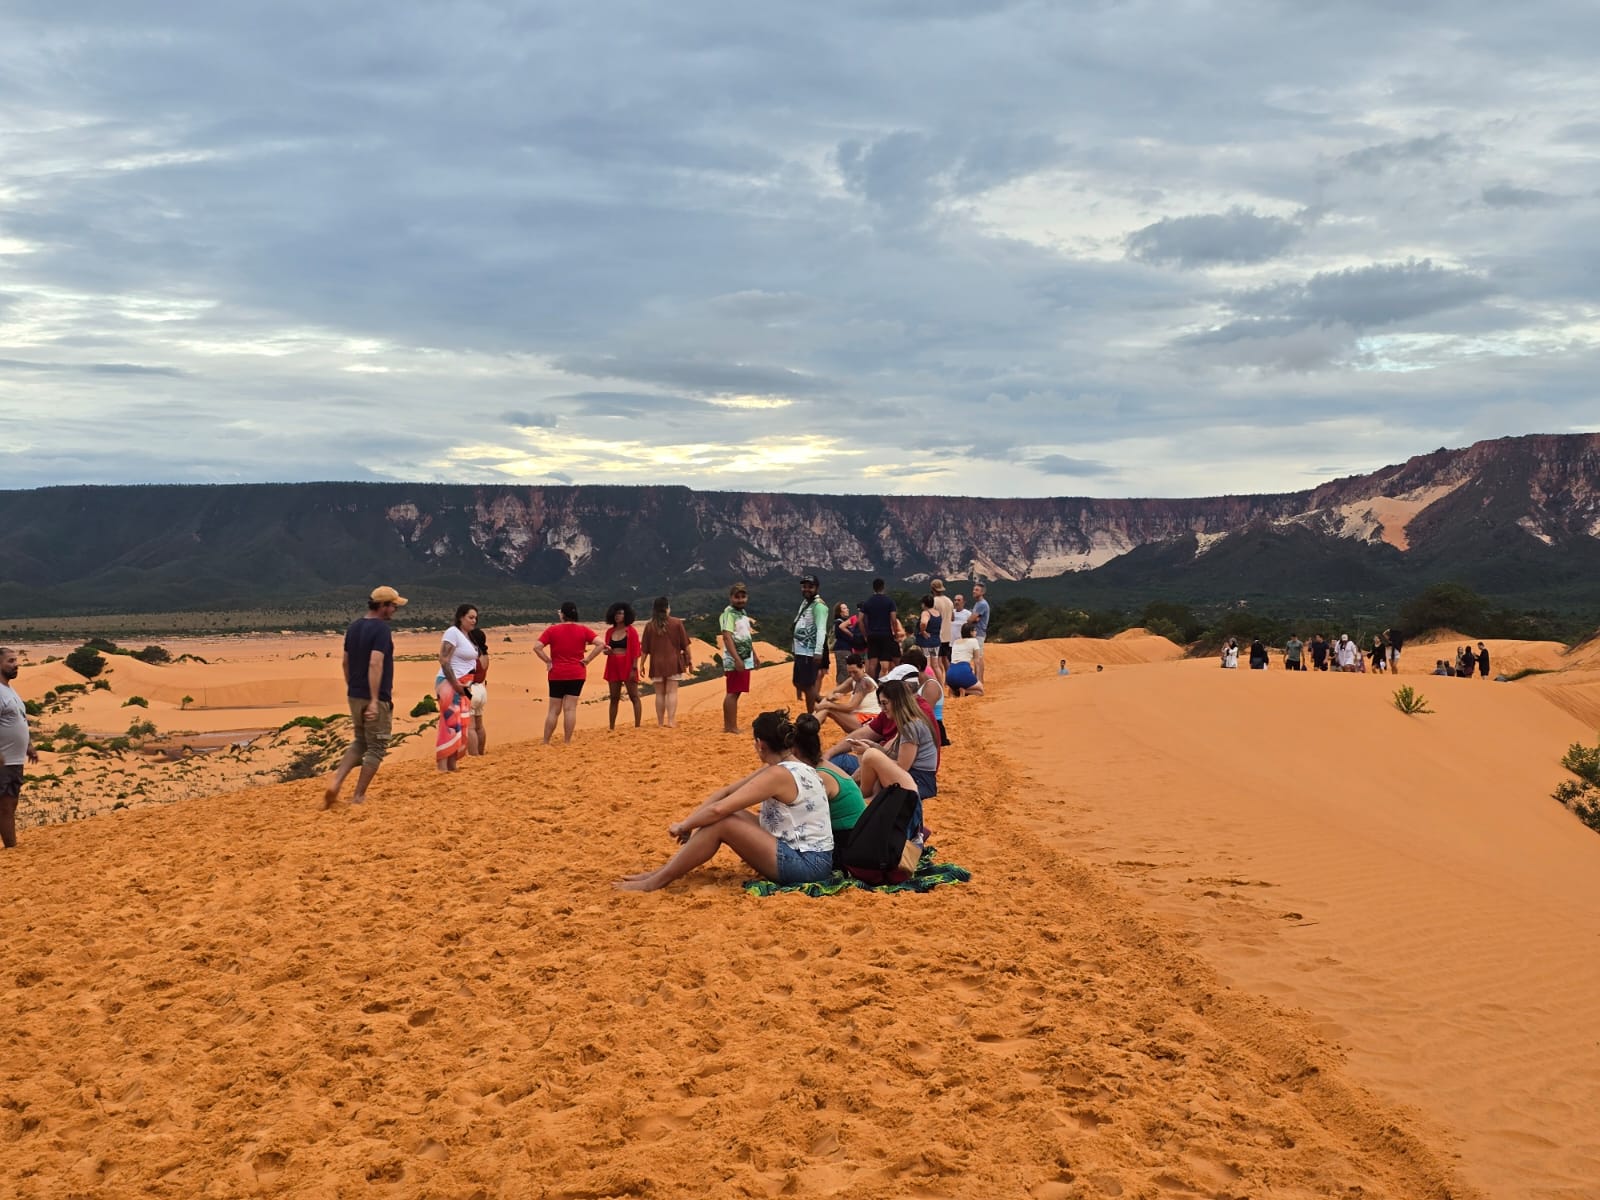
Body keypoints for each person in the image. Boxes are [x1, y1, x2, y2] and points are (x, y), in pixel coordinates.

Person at [615, 710, 833, 892]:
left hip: (807, 865)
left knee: (724, 821)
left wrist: (684, 825)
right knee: (732, 815)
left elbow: (719, 809)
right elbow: (727, 794)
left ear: (760, 744)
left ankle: (657, 881)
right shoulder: (795, 767)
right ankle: (661, 873)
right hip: (812, 858)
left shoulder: (778, 774)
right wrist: (692, 821)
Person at [322, 585, 405, 808]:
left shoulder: (354, 627)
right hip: (374, 697)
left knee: (360, 741)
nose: (395, 610)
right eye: (393, 605)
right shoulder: (381, 630)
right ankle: (358, 795)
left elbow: (345, 663)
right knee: (377, 747)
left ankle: (336, 781)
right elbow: (375, 663)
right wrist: (375, 700)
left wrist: (353, 688)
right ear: (382, 606)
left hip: (355, 695)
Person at [858, 679, 938, 838]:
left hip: (920, 780)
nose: (882, 709)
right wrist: (874, 748)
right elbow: (893, 757)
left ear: (897, 701)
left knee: (871, 758)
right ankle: (865, 797)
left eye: (885, 703)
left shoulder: (911, 726)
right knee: (872, 758)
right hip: (920, 778)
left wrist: (871, 752)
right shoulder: (911, 721)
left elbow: (902, 766)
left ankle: (861, 798)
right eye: (881, 704)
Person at [791, 712, 865, 859]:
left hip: (849, 846)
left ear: (795, 751)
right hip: (856, 837)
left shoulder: (820, 777)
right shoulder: (824, 766)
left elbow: (802, 819)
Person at [536, 601, 601, 744]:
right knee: (570, 709)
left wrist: (548, 661)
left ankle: (546, 741)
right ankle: (567, 741)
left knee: (554, 710)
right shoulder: (583, 630)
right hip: (577, 673)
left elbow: (537, 647)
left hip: (557, 673)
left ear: (563, 614)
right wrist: (588, 659)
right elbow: (600, 644)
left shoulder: (552, 630)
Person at [0, 647, 40, 849]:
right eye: (10, 661)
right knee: (5, 806)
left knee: (10, 804)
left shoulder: (9, 689)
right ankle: (11, 848)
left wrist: (28, 746)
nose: (16, 664)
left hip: (14, 759)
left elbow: (20, 720)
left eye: (16, 660)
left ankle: (11, 846)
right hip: (3, 760)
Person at [435, 604, 479, 771]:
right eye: (470, 617)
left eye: (475, 618)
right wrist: (456, 684)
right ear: (461, 617)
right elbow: (444, 659)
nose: (474, 621)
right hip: (450, 682)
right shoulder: (452, 632)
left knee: (461, 722)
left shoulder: (467, 636)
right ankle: (442, 765)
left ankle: (453, 763)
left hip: (465, 684)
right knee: (449, 721)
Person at [639, 596, 692, 727]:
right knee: (672, 692)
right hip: (673, 662)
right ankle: (671, 721)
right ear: (667, 608)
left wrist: (641, 665)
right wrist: (689, 661)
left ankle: (660, 723)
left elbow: (644, 649)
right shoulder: (677, 623)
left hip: (656, 663)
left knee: (659, 694)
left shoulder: (649, 626)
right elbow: (686, 645)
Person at [719, 583, 759, 734]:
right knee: (733, 692)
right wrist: (737, 659)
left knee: (736, 692)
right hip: (736, 659)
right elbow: (727, 637)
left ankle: (730, 726)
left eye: (743, 596)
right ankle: (730, 727)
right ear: (731, 598)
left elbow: (746, 636)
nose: (740, 600)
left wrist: (754, 654)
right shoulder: (728, 614)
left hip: (744, 657)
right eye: (737, 597)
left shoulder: (742, 613)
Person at [601, 602, 644, 730]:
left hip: (628, 664)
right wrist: (607, 652)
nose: (617, 616)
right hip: (613, 664)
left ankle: (637, 726)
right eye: (616, 613)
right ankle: (611, 727)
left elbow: (636, 651)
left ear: (626, 615)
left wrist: (634, 668)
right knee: (614, 697)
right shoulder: (609, 632)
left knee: (634, 696)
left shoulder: (631, 631)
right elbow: (607, 649)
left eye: (620, 613)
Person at [791, 575, 829, 713]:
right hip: (801, 650)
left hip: (809, 651)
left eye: (810, 587)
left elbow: (821, 629)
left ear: (817, 588)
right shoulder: (806, 603)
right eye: (804, 586)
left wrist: (818, 652)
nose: (806, 589)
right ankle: (821, 701)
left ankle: (811, 714)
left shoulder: (819, 606)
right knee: (797, 682)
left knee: (807, 685)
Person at [815, 653, 879, 733]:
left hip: (869, 720)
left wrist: (827, 704)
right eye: (850, 672)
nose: (852, 675)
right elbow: (834, 691)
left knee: (828, 708)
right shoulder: (853, 680)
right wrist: (831, 697)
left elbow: (850, 707)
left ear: (863, 667)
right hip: (858, 718)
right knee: (826, 706)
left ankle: (808, 728)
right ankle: (809, 725)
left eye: (855, 672)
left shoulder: (865, 682)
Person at [860, 578, 901, 678]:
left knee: (872, 664)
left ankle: (872, 687)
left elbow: (859, 620)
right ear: (883, 587)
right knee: (885, 664)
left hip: (872, 635)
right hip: (886, 634)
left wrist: (865, 635)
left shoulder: (867, 602)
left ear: (873, 588)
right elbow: (893, 619)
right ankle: (883, 685)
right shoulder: (889, 602)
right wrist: (895, 634)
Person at [466, 626, 489, 755]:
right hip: (482, 689)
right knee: (479, 725)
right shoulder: (485, 656)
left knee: (471, 727)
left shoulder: (471, 656)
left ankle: (474, 754)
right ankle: (481, 752)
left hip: (471, 688)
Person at [930, 579, 956, 684]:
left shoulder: (933, 601)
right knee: (945, 660)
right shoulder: (949, 601)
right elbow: (953, 618)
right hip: (948, 635)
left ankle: (940, 684)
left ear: (932, 589)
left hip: (937, 635)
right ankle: (950, 682)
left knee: (937, 662)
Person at [832, 602, 863, 685]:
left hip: (846, 648)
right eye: (844, 608)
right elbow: (843, 636)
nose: (847, 609)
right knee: (843, 669)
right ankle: (840, 689)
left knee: (846, 669)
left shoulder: (843, 622)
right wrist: (856, 639)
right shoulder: (838, 622)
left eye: (846, 607)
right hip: (842, 648)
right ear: (839, 612)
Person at [970, 583, 992, 685]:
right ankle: (978, 680)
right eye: (974, 589)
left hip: (979, 633)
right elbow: (974, 618)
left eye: (977, 590)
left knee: (978, 658)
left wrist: (972, 619)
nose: (974, 591)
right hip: (977, 633)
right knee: (977, 657)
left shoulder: (982, 604)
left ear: (982, 592)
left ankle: (979, 681)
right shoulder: (978, 604)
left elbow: (972, 619)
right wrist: (974, 618)